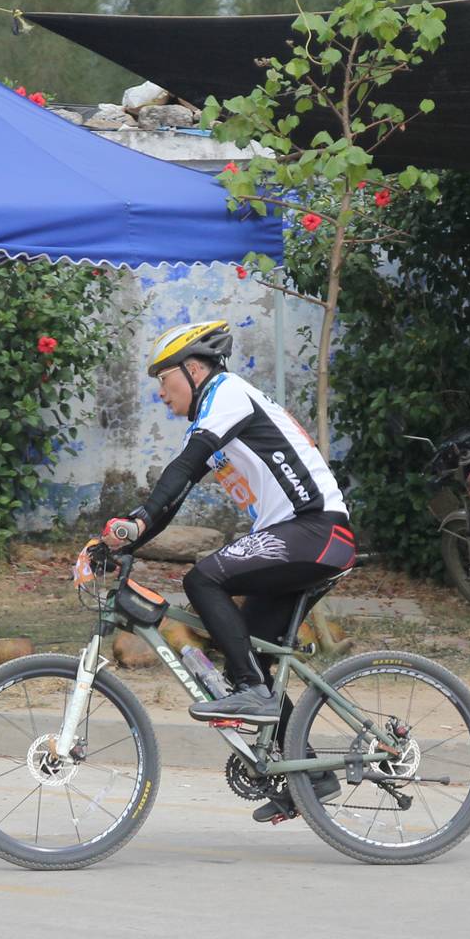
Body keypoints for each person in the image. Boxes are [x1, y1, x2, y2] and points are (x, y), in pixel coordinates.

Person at [102, 320, 355, 821]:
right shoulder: (218, 414)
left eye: (165, 379)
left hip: (316, 530)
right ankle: (310, 776)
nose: (160, 393)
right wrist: (125, 537)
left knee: (202, 578)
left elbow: (182, 465)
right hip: (302, 536)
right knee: (250, 652)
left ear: (194, 370)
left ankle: (254, 694)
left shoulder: (229, 393)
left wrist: (136, 523)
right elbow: (175, 494)